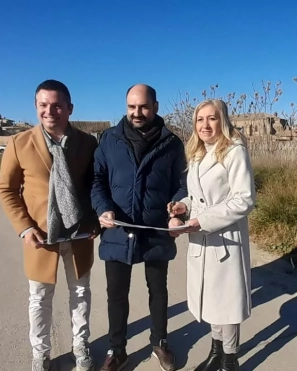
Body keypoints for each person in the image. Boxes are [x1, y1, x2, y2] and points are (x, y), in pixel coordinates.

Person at [0, 79, 100, 371]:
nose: (50, 111)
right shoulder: (20, 143)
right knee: (40, 298)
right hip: (41, 236)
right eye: (43, 105)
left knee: (80, 293)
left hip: (79, 233)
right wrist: (26, 228)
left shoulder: (87, 143)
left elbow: (95, 185)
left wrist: (94, 219)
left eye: (56, 105)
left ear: (69, 108)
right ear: (36, 107)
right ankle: (40, 353)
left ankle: (80, 346)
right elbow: (6, 189)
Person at [91, 83, 187, 371]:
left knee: (158, 290)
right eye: (132, 107)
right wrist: (101, 208)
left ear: (156, 107)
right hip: (117, 230)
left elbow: (181, 185)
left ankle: (160, 342)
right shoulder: (108, 139)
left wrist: (177, 210)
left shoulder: (172, 143)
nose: (137, 113)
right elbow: (97, 180)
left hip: (156, 230)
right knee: (116, 294)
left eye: (143, 107)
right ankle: (117, 350)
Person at [168, 99, 256, 371]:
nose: (205, 125)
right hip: (201, 239)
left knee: (226, 304)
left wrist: (201, 220)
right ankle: (216, 352)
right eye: (200, 119)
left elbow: (244, 200)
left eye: (212, 118)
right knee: (210, 301)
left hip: (224, 239)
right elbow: (199, 197)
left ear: (223, 121)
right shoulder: (196, 153)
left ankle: (230, 360)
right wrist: (184, 206)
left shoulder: (234, 151)